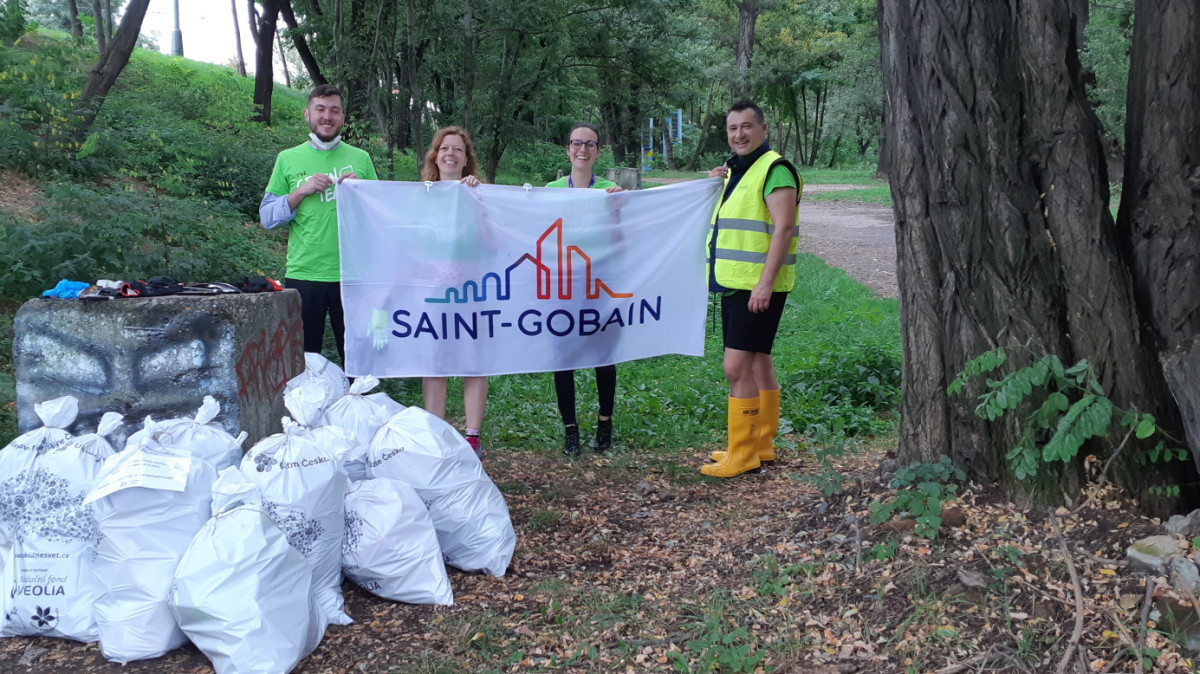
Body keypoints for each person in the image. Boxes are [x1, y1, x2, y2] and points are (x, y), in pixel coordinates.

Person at [702, 101, 801, 478]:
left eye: (746, 126)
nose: (739, 134)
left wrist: (764, 283)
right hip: (737, 282)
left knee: (735, 368)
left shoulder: (775, 170)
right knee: (758, 361)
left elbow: (784, 228)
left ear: (763, 128)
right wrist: (718, 181)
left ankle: (742, 454)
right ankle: (760, 445)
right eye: (732, 128)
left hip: (756, 286)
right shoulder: (738, 170)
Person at [260, 84, 378, 362]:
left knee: (359, 361)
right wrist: (300, 191)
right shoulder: (287, 158)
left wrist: (363, 193)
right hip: (304, 274)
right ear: (307, 114)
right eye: (320, 109)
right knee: (304, 361)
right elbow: (267, 218)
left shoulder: (361, 159)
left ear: (343, 117)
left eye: (334, 111)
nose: (327, 116)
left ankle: (357, 392)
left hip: (353, 276)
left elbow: (380, 219)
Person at [544, 123, 624, 456]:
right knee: (563, 357)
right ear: (568, 149)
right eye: (577, 143)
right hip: (563, 285)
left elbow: (620, 241)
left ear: (598, 152)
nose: (583, 149)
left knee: (604, 356)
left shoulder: (609, 191)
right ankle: (570, 430)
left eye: (590, 144)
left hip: (600, 283)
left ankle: (605, 423)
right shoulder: (551, 190)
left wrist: (617, 211)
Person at [419, 126, 487, 457]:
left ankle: (472, 438)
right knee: (436, 364)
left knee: (473, 362)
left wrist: (476, 199)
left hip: (471, 291)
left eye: (458, 149)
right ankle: (436, 435)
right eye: (445, 148)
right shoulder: (420, 197)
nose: (450, 154)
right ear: (435, 156)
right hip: (432, 292)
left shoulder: (478, 196)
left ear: (465, 158)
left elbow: (493, 240)